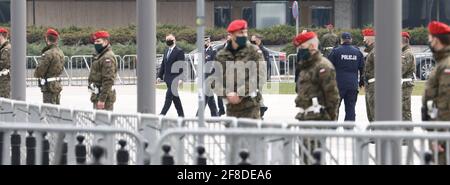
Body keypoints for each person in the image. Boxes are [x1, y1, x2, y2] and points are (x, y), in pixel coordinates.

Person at [293, 31, 340, 164]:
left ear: (312, 47)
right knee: (304, 155)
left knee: (314, 156)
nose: (300, 52)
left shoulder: (323, 66)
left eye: (302, 48)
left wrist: (331, 118)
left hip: (317, 118)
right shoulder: (306, 66)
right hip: (305, 117)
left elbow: (332, 95)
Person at [213, 19, 267, 119]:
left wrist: (240, 93)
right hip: (231, 109)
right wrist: (227, 94)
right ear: (232, 35)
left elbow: (261, 76)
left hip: (250, 107)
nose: (245, 35)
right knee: (233, 134)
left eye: (245, 32)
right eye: (241, 33)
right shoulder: (221, 55)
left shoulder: (254, 51)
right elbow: (214, 81)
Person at [422, 21, 450, 165]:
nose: (429, 43)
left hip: (443, 133)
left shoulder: (446, 66)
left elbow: (446, 103)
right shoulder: (442, 63)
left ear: (436, 40)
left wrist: (439, 136)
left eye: (430, 39)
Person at [327, 32, 364, 121]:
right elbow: (362, 69)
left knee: (335, 107)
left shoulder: (336, 51)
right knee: (350, 108)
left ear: (341, 40)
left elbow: (328, 66)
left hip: (338, 84)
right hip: (352, 85)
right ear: (350, 40)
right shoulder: (357, 52)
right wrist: (361, 82)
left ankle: (332, 128)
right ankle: (349, 128)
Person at [34, 29, 65, 105]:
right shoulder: (60, 52)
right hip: (57, 84)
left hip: (49, 87)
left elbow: (39, 72)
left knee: (49, 110)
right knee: (57, 109)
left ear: (47, 39)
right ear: (56, 39)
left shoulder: (48, 54)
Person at [88, 31, 118, 111]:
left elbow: (108, 80)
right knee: (99, 121)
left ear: (105, 42)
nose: (95, 43)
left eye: (98, 41)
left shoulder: (107, 57)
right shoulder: (101, 56)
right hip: (98, 94)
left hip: (104, 97)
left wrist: (102, 99)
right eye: (94, 41)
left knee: (103, 122)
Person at [157, 34, 185, 117]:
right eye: (167, 39)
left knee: (168, 97)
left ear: (174, 40)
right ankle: (181, 115)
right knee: (175, 98)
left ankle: (162, 115)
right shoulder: (166, 51)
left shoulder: (179, 51)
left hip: (175, 79)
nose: (168, 41)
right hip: (168, 78)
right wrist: (159, 76)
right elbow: (163, 65)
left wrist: (181, 78)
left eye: (170, 39)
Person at [196, 36, 219, 117]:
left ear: (209, 42)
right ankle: (215, 115)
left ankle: (198, 115)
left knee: (205, 96)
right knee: (210, 97)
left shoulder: (213, 51)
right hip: (203, 77)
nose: (204, 43)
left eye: (205, 41)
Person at [250, 34, 270, 118]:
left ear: (258, 40)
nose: (251, 42)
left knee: (256, 93)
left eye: (253, 40)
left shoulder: (263, 51)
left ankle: (260, 108)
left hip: (259, 76)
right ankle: (261, 107)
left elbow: (266, 65)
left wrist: (265, 76)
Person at [400, 32, 416, 121]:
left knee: (405, 111)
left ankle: (408, 132)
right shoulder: (404, 52)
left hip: (405, 86)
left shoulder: (407, 54)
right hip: (403, 85)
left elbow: (400, 70)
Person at [362, 28, 376, 122]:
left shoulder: (375, 51)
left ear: (369, 40)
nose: (363, 41)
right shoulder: (371, 52)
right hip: (370, 85)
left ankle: (377, 134)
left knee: (374, 113)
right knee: (370, 114)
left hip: (374, 86)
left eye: (365, 39)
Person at [0, 27, 11, 99]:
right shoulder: (4, 48)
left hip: (4, 81)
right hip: (3, 79)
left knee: (4, 101)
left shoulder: (6, 48)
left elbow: (3, 63)